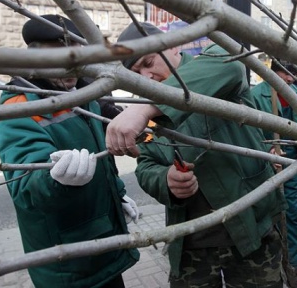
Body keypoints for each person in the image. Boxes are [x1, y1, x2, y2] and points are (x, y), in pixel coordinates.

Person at [107, 22, 285, 288]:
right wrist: (165, 180)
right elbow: (145, 166)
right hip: (191, 243)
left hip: (252, 227)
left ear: (173, 45)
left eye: (149, 62)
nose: (146, 77)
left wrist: (148, 108)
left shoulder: (215, 66)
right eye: (136, 72)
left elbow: (231, 61)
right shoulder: (142, 113)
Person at [0, 15, 140, 287]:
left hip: (104, 247)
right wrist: (57, 180)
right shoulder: (19, 108)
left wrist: (117, 195)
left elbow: (105, 164)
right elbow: (24, 187)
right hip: (67, 264)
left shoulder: (85, 98)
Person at [251, 60, 297, 282]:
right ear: (272, 74)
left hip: (295, 160)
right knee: (270, 210)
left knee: (292, 211)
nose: (289, 79)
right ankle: (272, 256)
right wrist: (267, 150)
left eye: (292, 75)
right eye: (284, 75)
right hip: (269, 160)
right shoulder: (257, 94)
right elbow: (250, 130)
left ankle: (295, 261)